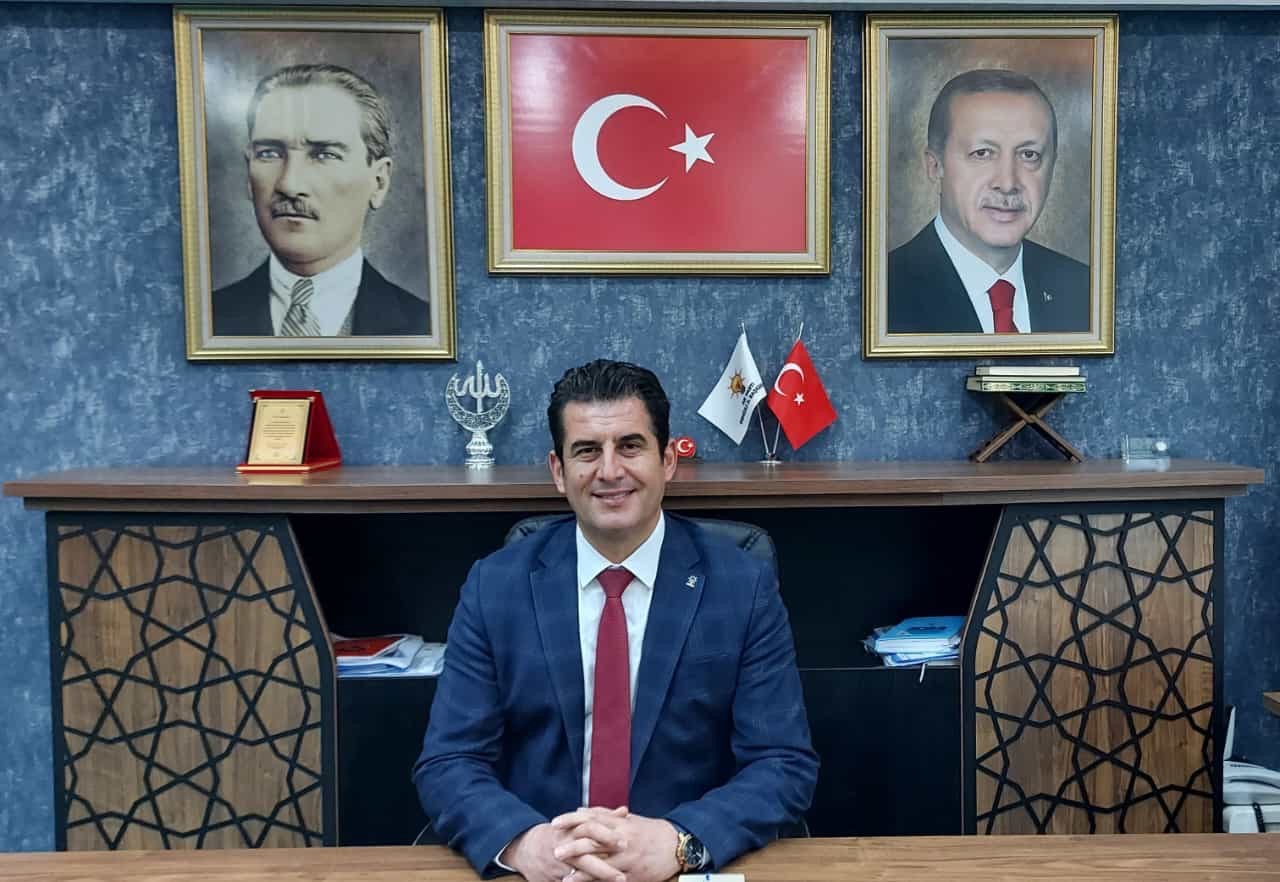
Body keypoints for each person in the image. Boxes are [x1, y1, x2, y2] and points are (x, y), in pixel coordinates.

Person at [414, 359, 818, 882]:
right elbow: (449, 761)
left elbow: (782, 764)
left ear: (667, 460)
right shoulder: (495, 586)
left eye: (629, 446)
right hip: (545, 868)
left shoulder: (742, 586)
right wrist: (526, 844)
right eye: (587, 451)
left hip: (678, 866)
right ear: (558, 471)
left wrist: (679, 842)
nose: (609, 471)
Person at [211, 63, 428, 337]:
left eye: (325, 154)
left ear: (379, 182)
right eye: (270, 153)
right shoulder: (202, 321)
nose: (289, 185)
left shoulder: (427, 328)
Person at [887, 68, 1090, 335]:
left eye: (1029, 155)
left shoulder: (1085, 291)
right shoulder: (882, 293)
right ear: (935, 167)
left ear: (1053, 167)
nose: (1007, 183)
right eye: (982, 153)